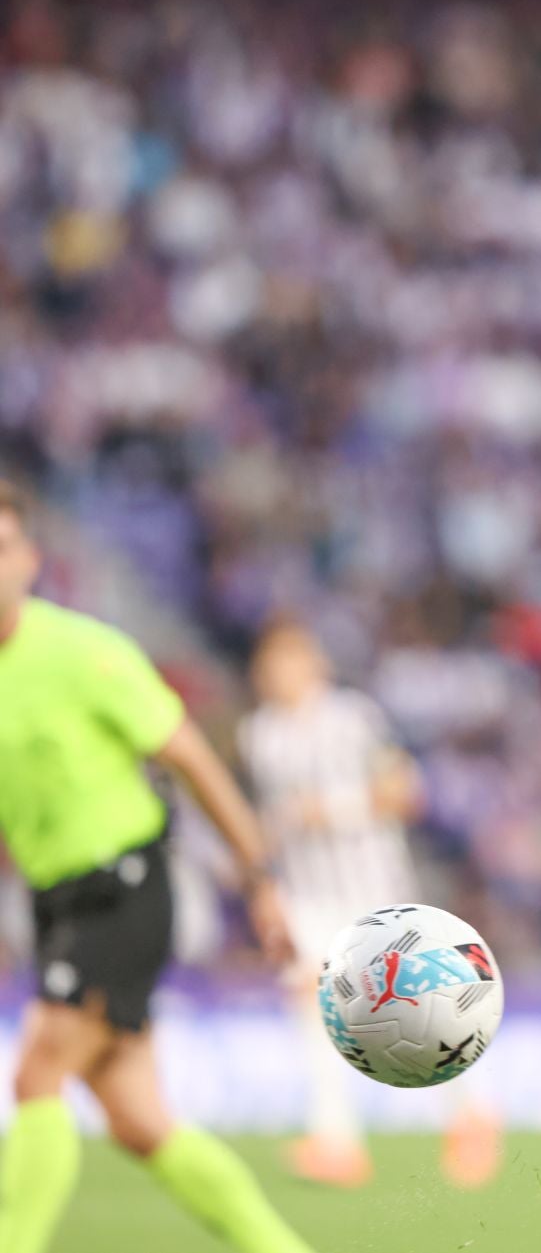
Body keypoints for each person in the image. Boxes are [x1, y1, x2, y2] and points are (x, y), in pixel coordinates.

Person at [0, 481, 316, 1253]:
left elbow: (192, 757)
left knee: (37, 1074)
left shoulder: (84, 653)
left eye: (1, 548)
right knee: (138, 1120)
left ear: (32, 559)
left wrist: (261, 878)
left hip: (125, 887)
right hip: (55, 901)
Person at [239, 620, 501, 1189]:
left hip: (373, 891)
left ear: (314, 665)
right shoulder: (259, 733)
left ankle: (469, 1114)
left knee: (416, 1008)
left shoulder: (352, 719)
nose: (275, 675)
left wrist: (328, 809)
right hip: (305, 894)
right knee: (311, 1005)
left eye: (288, 661)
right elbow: (271, 819)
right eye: (268, 664)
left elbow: (404, 793)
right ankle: (336, 1142)